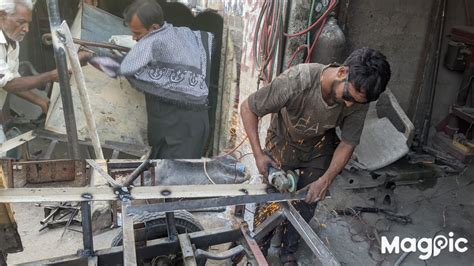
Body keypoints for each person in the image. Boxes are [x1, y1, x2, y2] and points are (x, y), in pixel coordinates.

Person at [240, 47, 391, 265]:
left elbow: (347, 143)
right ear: (341, 73)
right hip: (284, 139)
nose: (349, 105)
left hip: (318, 146)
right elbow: (248, 108)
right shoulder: (298, 81)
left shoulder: (358, 98)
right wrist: (258, 154)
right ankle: (260, 246)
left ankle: (288, 249)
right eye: (347, 96)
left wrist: (325, 179)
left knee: (308, 200)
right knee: (271, 198)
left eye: (356, 102)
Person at [89, 0, 212, 159]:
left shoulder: (157, 41)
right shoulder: (177, 34)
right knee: (160, 173)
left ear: (154, 28)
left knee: (174, 177)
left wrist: (89, 58)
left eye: (138, 33)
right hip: (174, 127)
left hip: (183, 131)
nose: (134, 38)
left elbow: (124, 67)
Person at [0, 0, 55, 128]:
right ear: (2, 16)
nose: (26, 29)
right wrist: (50, 76)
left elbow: (14, 80)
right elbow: (10, 84)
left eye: (28, 23)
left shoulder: (12, 42)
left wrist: (40, 101)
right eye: (21, 22)